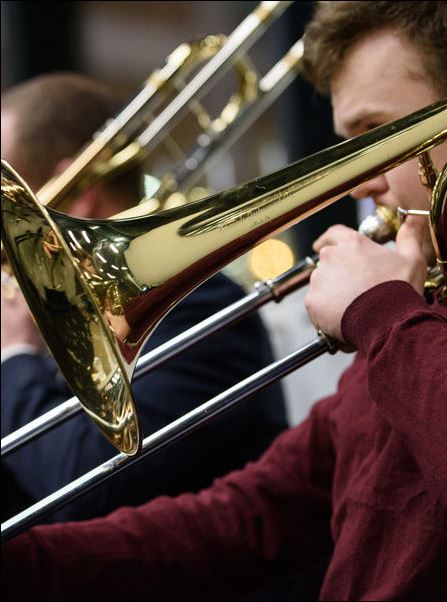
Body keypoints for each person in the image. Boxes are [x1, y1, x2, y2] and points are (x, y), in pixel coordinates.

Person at [2, 3, 447, 600]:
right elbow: (253, 516)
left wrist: (385, 312)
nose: (361, 183)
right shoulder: (432, 295)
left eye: (379, 135)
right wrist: (26, 562)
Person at [0, 72, 288, 523]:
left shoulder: (198, 304)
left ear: (76, 196)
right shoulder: (42, 316)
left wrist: (12, 356)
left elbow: (84, 485)